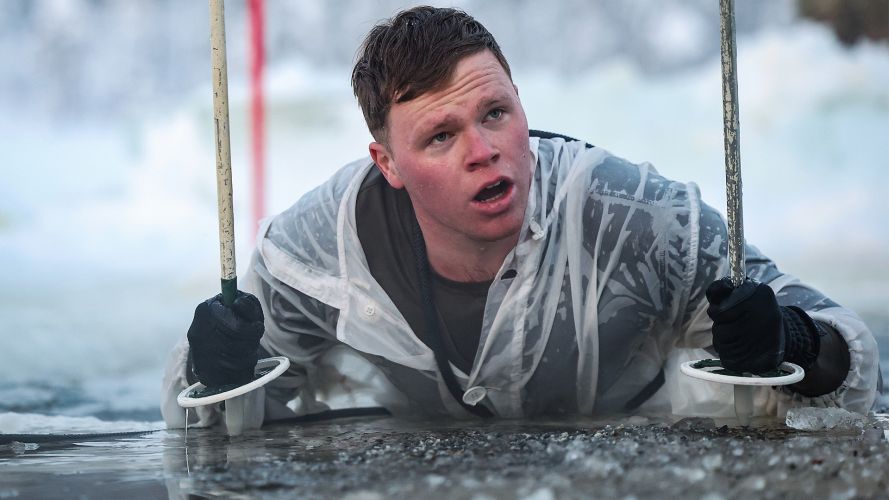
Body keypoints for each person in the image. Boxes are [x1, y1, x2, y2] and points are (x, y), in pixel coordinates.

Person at [162, 6, 880, 430]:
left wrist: (790, 339)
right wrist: (214, 369)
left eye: (495, 114)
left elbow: (852, 358)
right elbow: (204, 421)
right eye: (440, 137)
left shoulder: (639, 218)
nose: (485, 152)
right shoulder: (315, 251)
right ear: (386, 163)